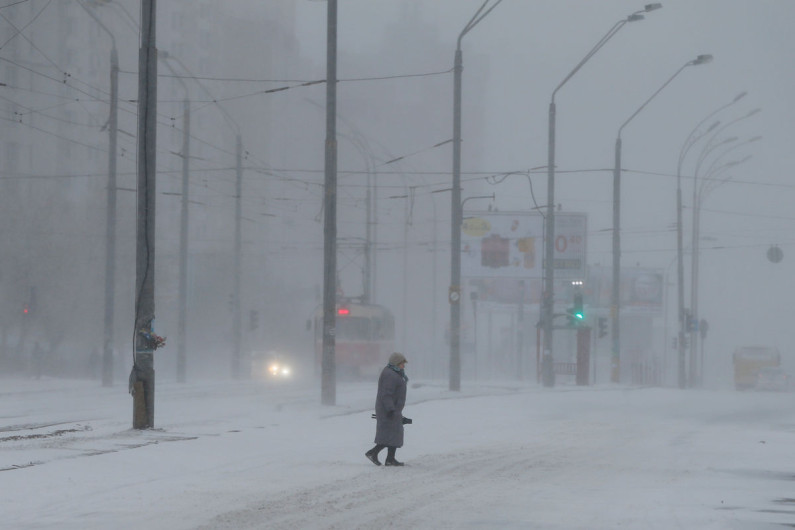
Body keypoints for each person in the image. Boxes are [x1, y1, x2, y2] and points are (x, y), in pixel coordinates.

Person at [366, 352, 410, 467]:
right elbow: (386, 394)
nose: (403, 366)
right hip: (388, 409)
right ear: (396, 363)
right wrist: (390, 409)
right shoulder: (390, 375)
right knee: (389, 434)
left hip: (393, 409)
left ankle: (390, 459)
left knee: (394, 433)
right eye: (402, 363)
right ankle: (373, 453)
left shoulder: (395, 373)